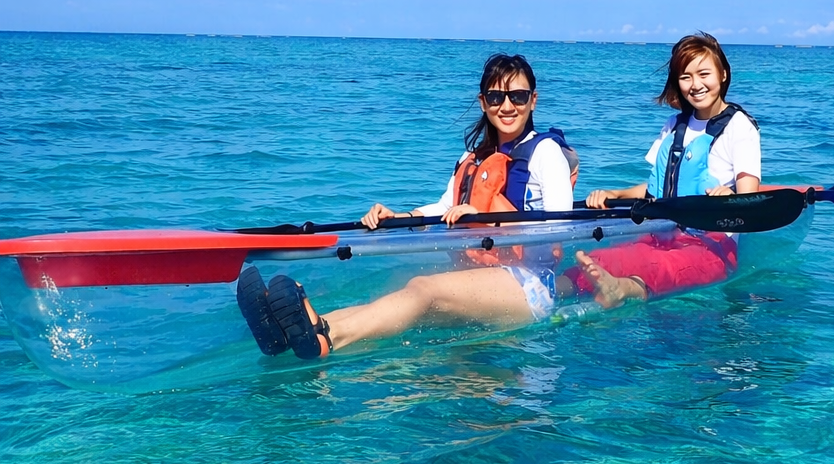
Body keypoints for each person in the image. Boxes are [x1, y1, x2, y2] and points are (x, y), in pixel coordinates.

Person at [237, 53, 576, 358]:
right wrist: (400, 217)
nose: (506, 106)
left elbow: (563, 225)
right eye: (495, 97)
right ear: (483, 102)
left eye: (517, 96)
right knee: (405, 298)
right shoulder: (473, 158)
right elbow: (444, 207)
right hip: (480, 277)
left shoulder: (546, 154)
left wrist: (494, 220)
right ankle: (293, 331)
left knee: (423, 289)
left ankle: (329, 338)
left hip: (530, 285)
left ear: (533, 100)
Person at [563, 32, 760, 308]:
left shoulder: (740, 128)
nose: (696, 85)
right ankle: (546, 291)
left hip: (710, 246)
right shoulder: (673, 125)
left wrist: (729, 196)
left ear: (723, 74)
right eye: (686, 77)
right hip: (660, 235)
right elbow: (657, 186)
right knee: (604, 259)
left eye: (704, 74)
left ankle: (620, 290)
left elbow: (749, 199)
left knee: (661, 267)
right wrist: (615, 194)